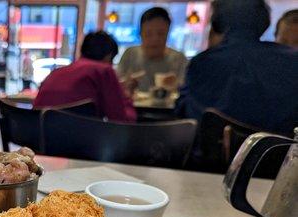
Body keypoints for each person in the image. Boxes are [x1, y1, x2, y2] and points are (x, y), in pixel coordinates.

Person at [175, 0, 298, 134]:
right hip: (274, 152)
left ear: (217, 22)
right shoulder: (292, 62)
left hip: (210, 152)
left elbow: (183, 112)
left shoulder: (201, 63)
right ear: (264, 21)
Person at [33, 31, 136, 123]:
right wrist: (126, 94)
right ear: (109, 56)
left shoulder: (55, 73)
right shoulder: (104, 70)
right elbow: (122, 120)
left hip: (40, 139)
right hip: (81, 140)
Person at [118, 7, 188, 92]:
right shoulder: (130, 54)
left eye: (161, 33)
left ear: (168, 33)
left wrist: (176, 86)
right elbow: (116, 85)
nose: (155, 39)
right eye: (148, 34)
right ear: (140, 33)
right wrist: (126, 85)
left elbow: (186, 92)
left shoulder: (179, 59)